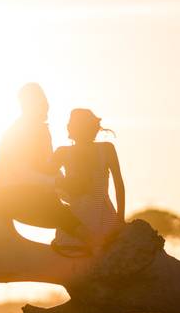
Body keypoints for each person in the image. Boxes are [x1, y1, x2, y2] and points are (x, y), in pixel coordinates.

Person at [0, 83, 86, 240]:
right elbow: (21, 173)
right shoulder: (18, 131)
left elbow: (49, 167)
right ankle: (96, 246)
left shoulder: (41, 130)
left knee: (80, 214)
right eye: (39, 102)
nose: (44, 105)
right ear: (26, 105)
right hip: (9, 196)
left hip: (32, 193)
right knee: (72, 221)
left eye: (44, 101)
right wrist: (59, 183)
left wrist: (72, 194)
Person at [51, 108, 125, 252]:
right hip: (76, 220)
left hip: (103, 217)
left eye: (73, 124)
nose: (68, 127)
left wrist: (120, 219)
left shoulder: (106, 149)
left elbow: (119, 184)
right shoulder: (63, 152)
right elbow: (48, 181)